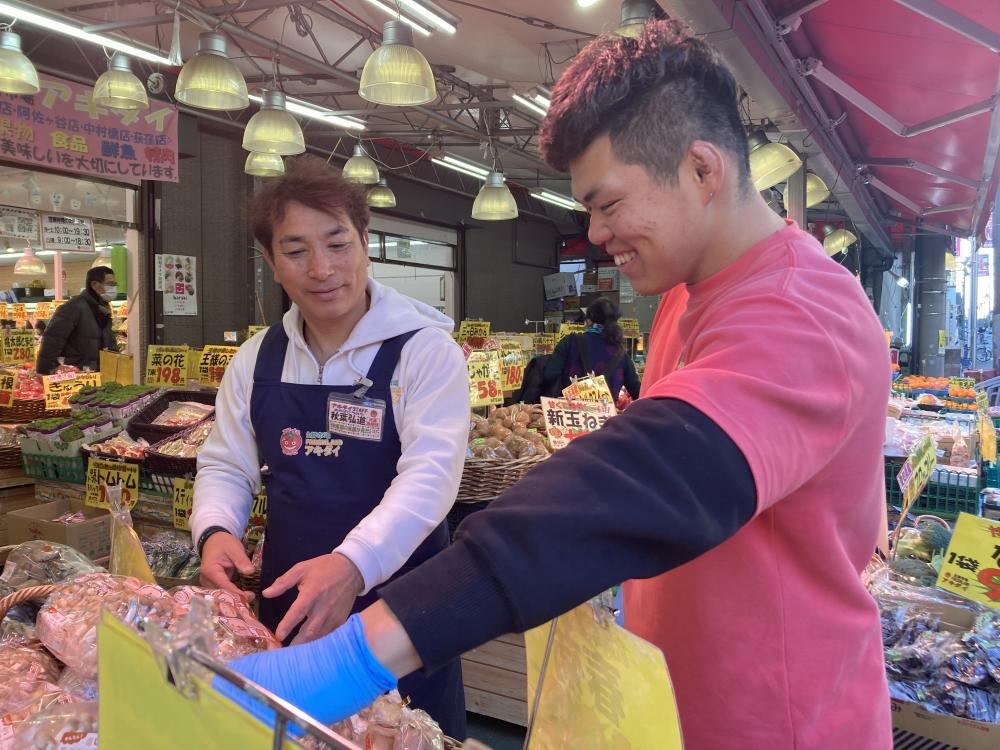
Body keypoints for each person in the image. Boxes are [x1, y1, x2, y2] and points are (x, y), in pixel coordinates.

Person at [216, 22, 892, 749]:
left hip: (778, 722)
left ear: (702, 169)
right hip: (678, 706)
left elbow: (649, 478)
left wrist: (360, 651)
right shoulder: (686, 294)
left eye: (607, 203)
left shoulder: (802, 313)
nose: (595, 233)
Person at [190, 156, 469, 737]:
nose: (322, 269)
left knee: (405, 737)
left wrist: (352, 565)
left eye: (338, 244)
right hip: (292, 605)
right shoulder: (256, 360)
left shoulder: (424, 350)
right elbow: (226, 465)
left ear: (367, 243)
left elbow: (431, 479)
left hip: (405, 612)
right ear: (271, 263)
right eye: (296, 251)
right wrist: (215, 530)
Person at [543, 297, 641, 400]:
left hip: (570, 412)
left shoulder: (569, 342)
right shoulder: (620, 354)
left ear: (589, 320)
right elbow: (637, 392)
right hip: (607, 415)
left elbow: (549, 374)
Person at [36, 266, 118, 375]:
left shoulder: (102, 308)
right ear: (94, 285)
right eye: (110, 284)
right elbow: (52, 342)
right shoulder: (73, 307)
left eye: (115, 284)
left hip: (96, 373)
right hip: (76, 374)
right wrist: (45, 374)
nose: (114, 288)